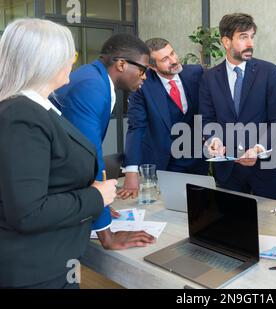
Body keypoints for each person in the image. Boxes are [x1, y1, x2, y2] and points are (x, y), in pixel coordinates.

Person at [0, 19, 117, 288]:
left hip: (53, 263)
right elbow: (28, 212)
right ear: (47, 60)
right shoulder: (22, 115)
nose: (73, 63)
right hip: (35, 271)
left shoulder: (35, 109)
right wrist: (95, 197)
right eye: (71, 55)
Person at [52, 33, 155, 250]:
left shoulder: (96, 78)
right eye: (143, 69)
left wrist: (99, 206)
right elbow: (90, 157)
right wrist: (107, 234)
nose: (144, 76)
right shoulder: (92, 86)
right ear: (121, 64)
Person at [199, 13, 276, 201]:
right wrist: (214, 141)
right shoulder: (210, 77)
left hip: (265, 168)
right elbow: (207, 120)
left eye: (251, 36)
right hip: (228, 172)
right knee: (233, 227)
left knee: (273, 227)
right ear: (226, 41)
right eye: (243, 37)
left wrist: (257, 149)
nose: (250, 43)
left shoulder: (269, 72)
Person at [118, 38, 208, 199]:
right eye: (165, 59)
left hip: (197, 158)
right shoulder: (141, 87)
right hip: (165, 162)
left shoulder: (196, 73)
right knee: (169, 208)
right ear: (151, 66)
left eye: (172, 53)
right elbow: (136, 127)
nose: (173, 60)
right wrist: (131, 171)